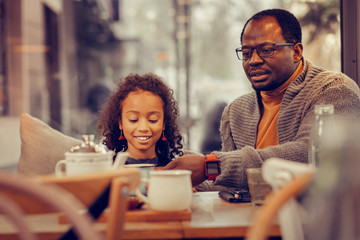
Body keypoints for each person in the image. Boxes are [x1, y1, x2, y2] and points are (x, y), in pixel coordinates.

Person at [163, 8, 360, 191]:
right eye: (246, 53)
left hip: (317, 224)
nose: (254, 60)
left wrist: (210, 165)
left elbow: (309, 155)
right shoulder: (235, 111)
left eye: (266, 50)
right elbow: (232, 186)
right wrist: (185, 178)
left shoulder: (333, 90)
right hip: (254, 223)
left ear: (296, 52)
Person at [97, 73, 183, 167]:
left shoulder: (172, 169)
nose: (143, 128)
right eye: (133, 120)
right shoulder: (108, 169)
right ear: (120, 122)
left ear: (164, 124)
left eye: (152, 120)